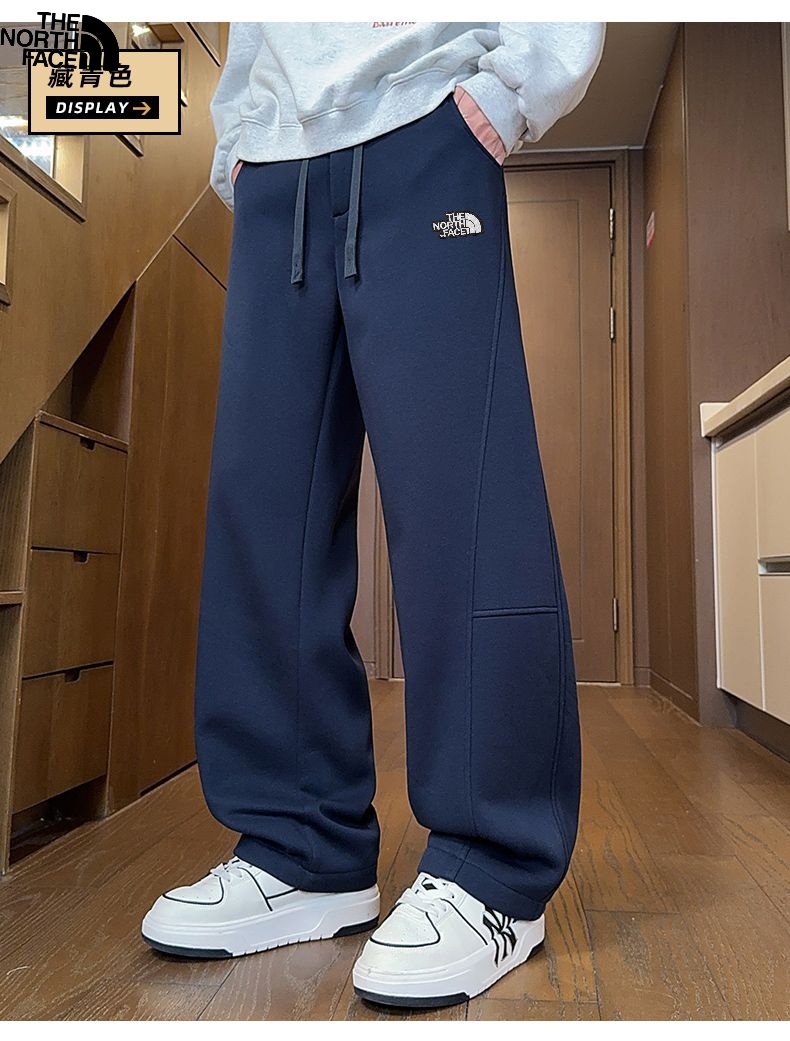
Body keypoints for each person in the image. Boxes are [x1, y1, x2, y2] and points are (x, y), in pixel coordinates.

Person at [141, 21, 605, 1009]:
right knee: (265, 518)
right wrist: (240, 138)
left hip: (427, 117)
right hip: (276, 159)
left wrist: (520, 81)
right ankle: (301, 846)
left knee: (460, 506)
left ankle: (493, 864)